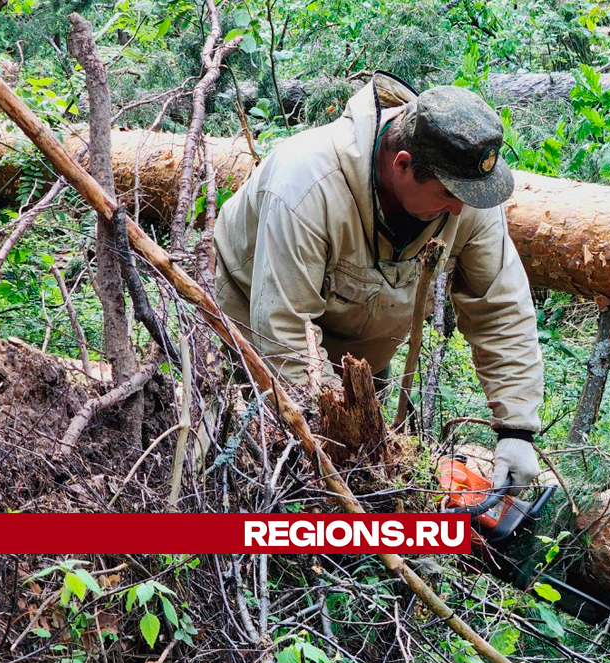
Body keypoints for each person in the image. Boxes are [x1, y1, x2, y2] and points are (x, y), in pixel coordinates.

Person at [214, 71, 543, 495]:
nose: (461, 211)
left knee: (366, 466)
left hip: (362, 340)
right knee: (260, 466)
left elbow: (500, 306)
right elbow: (283, 331)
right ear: (402, 165)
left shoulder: (462, 187)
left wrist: (517, 429)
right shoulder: (307, 185)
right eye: (449, 196)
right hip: (251, 323)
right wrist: (338, 440)